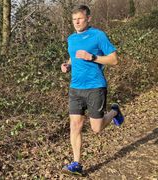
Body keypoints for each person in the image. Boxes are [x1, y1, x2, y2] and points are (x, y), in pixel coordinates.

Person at [60, 5, 124, 176]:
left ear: (88, 18)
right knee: (75, 126)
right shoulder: (71, 39)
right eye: (74, 19)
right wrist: (68, 65)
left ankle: (114, 112)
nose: (77, 22)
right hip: (75, 88)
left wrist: (93, 57)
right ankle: (76, 163)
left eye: (80, 18)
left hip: (95, 87)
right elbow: (73, 56)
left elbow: (114, 59)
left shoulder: (98, 35)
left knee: (96, 128)